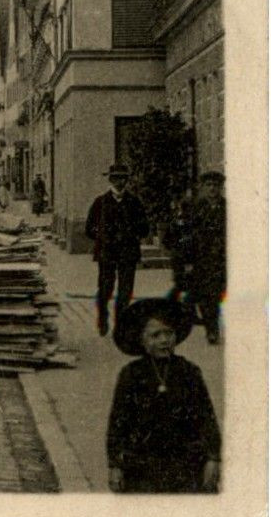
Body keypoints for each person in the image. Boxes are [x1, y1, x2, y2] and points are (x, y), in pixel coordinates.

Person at [106, 298, 221, 494]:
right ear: (142, 340)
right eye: (155, 335)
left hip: (186, 466)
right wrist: (115, 465)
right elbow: (118, 422)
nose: (163, 340)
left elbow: (207, 418)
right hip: (143, 467)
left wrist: (212, 459)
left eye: (168, 333)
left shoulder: (189, 372)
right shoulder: (131, 375)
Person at [86, 163, 149, 337]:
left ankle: (121, 324)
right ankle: (102, 318)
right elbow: (89, 228)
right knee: (105, 288)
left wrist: (133, 232)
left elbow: (145, 228)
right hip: (107, 253)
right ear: (110, 180)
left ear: (127, 181)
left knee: (125, 291)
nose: (120, 182)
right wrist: (102, 237)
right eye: (116, 178)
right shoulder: (100, 202)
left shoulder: (134, 202)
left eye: (123, 178)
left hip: (128, 253)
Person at [166, 171, 226, 344]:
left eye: (216, 185)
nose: (213, 189)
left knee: (213, 296)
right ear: (203, 187)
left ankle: (205, 323)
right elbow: (187, 237)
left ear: (221, 188)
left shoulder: (227, 208)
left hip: (222, 260)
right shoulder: (195, 209)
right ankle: (212, 331)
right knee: (208, 297)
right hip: (202, 259)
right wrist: (187, 261)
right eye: (209, 185)